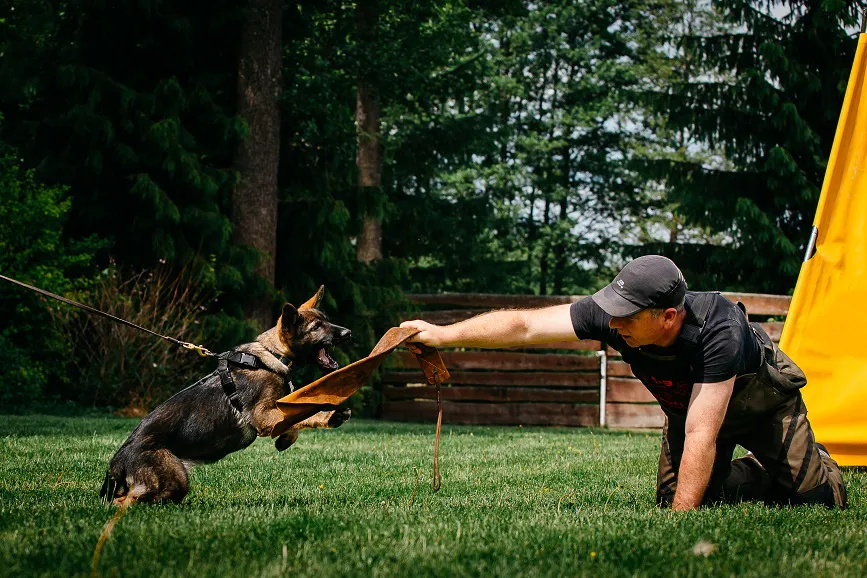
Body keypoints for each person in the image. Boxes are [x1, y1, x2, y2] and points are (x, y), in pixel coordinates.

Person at [400, 255, 847, 511]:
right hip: (690, 411)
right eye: (611, 311)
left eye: (627, 317)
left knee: (821, 501)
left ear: (669, 317)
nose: (614, 324)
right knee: (678, 494)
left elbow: (701, 432)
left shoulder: (720, 329)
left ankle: (813, 464)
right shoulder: (612, 315)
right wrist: (443, 334)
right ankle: (765, 473)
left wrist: (680, 527)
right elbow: (524, 327)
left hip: (761, 404)